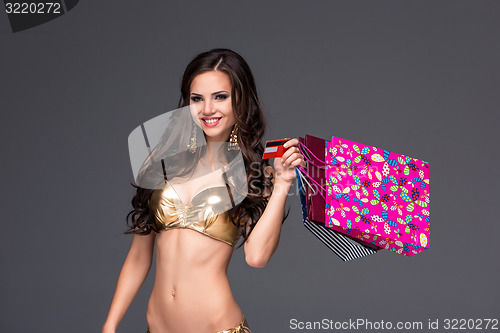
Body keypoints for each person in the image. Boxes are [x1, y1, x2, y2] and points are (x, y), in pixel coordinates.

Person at [102, 48, 305, 333]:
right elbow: (138, 256)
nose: (208, 109)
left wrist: (283, 184)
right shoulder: (163, 164)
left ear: (240, 100)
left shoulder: (254, 174)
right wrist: (110, 325)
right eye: (197, 99)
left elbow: (256, 257)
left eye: (220, 97)